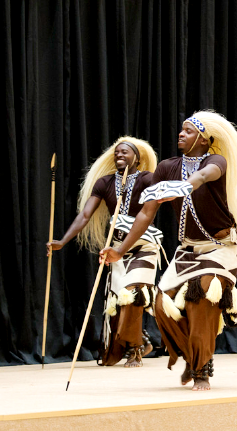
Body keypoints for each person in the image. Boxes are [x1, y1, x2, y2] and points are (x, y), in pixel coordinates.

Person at [102, 111, 237, 390]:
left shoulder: (215, 161)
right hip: (187, 250)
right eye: (181, 129)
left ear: (204, 139)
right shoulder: (166, 167)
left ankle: (202, 369)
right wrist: (120, 250)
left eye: (188, 130)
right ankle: (191, 355)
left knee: (202, 295)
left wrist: (186, 185)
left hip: (220, 248)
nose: (181, 134)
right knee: (162, 304)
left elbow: (206, 175)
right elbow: (146, 214)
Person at [47, 137, 160, 367]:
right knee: (119, 302)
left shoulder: (148, 179)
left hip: (143, 247)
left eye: (125, 152)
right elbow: (84, 215)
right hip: (116, 249)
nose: (119, 155)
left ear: (137, 158)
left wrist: (121, 249)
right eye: (117, 152)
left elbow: (146, 215)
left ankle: (135, 349)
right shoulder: (105, 183)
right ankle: (140, 339)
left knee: (132, 293)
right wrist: (63, 241)